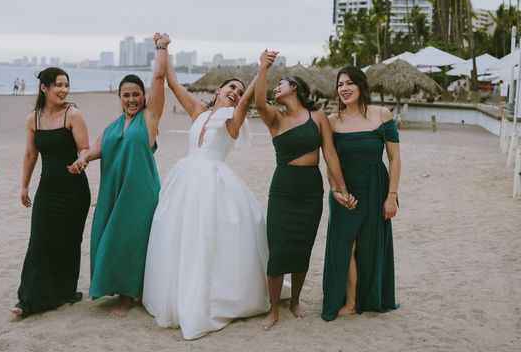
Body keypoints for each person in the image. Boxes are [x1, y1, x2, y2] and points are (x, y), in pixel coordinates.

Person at [142, 44, 269, 340]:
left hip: (213, 182)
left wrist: (261, 68)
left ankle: (207, 298)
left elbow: (249, 98)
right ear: (218, 90)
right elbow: (173, 83)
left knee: (206, 238)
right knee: (175, 233)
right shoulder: (198, 111)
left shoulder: (232, 120)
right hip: (185, 179)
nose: (235, 92)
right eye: (231, 88)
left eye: (238, 91)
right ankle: (173, 293)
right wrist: (163, 49)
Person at [68, 33, 168, 316]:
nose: (132, 99)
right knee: (107, 236)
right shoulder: (114, 124)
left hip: (138, 192)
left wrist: (161, 48)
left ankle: (128, 296)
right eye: (127, 95)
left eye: (137, 94)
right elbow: (97, 147)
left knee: (129, 239)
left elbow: (159, 80)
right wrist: (82, 159)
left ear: (144, 96)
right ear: (119, 97)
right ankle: (117, 288)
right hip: (113, 189)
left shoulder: (148, 119)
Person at [254, 50, 354, 331]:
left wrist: (341, 188)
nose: (276, 89)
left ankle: (294, 301)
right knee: (278, 251)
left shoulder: (318, 117)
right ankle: (273, 309)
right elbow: (258, 100)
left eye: (280, 84)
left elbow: (330, 155)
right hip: (283, 190)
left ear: (294, 88)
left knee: (301, 249)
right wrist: (264, 67)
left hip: (311, 192)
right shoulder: (275, 119)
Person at [321, 65, 401, 321]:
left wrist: (392, 196)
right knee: (345, 245)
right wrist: (335, 191)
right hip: (345, 191)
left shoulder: (383, 115)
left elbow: (395, 157)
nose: (343, 89)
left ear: (361, 85)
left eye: (349, 83)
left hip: (376, 188)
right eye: (340, 85)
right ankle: (351, 302)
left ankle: (364, 298)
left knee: (368, 246)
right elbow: (330, 161)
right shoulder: (333, 121)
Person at [12, 67, 91, 317]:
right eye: (58, 85)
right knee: (38, 241)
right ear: (44, 88)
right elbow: (30, 154)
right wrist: (24, 185)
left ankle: (64, 291)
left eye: (66, 85)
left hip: (74, 190)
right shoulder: (33, 118)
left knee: (68, 242)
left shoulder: (73, 114)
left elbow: (85, 148)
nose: (64, 90)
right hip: (48, 190)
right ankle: (28, 299)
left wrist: (82, 160)